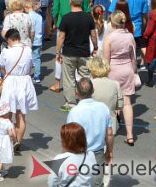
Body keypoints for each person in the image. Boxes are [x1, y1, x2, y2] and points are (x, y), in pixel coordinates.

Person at [66, 78, 114, 187]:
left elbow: (70, 138)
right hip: (98, 153)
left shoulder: (74, 112)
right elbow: (109, 133)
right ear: (93, 91)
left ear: (76, 92)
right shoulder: (103, 108)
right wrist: (110, 151)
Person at [103, 10, 139, 146]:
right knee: (127, 102)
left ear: (112, 22)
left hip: (113, 70)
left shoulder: (109, 38)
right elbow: (133, 58)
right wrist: (133, 72)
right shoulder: (130, 36)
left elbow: (106, 61)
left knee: (110, 101)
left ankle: (109, 129)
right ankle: (130, 135)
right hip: (127, 69)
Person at [0, 29, 38, 148]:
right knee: (21, 115)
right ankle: (18, 142)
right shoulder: (28, 50)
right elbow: (31, 66)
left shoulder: (6, 52)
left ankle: (12, 139)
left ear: (10, 39)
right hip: (25, 82)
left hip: (11, 81)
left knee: (7, 114)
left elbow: (2, 68)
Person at [48, 122, 98, 187]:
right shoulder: (90, 155)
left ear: (66, 141)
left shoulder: (59, 159)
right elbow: (93, 177)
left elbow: (52, 182)